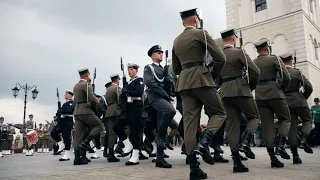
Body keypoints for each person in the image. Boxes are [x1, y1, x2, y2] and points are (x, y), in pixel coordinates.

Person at [171, 8, 226, 179]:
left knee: (189, 123)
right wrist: (212, 76)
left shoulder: (176, 40)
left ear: (183, 22)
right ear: (196, 19)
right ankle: (205, 142)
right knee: (219, 112)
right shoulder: (201, 33)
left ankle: (194, 167)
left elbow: (176, 68)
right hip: (202, 78)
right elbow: (221, 58)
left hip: (185, 83)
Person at [219, 28, 260, 173]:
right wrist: (250, 87)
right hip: (241, 89)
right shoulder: (239, 52)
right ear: (234, 39)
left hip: (225, 92)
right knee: (254, 117)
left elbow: (215, 76)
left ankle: (236, 162)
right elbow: (255, 71)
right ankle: (246, 143)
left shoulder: (218, 55)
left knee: (232, 126)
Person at [253, 39, 291, 168]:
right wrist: (281, 88)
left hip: (259, 95)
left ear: (257, 50)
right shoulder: (274, 59)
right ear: (268, 48)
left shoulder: (253, 62)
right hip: (275, 93)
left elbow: (250, 80)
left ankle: (272, 158)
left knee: (266, 126)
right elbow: (286, 77)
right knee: (286, 119)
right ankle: (280, 146)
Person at [144, 45, 176, 168]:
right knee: (170, 111)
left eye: (162, 53)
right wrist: (165, 94)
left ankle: (159, 158)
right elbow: (150, 83)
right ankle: (159, 138)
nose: (161, 54)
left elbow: (168, 86)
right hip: (155, 98)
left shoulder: (163, 69)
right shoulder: (149, 68)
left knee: (159, 126)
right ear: (152, 56)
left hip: (162, 97)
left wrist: (168, 78)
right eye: (158, 53)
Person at [280, 52, 313, 164]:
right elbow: (308, 87)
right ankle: (304, 140)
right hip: (299, 101)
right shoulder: (297, 72)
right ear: (291, 61)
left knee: (292, 129)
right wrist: (303, 97)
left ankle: (295, 156)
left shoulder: (280, 75)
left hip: (286, 103)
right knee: (308, 120)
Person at [72, 68, 104, 165]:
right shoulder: (86, 85)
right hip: (85, 110)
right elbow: (91, 98)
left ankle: (77, 158)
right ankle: (86, 142)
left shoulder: (76, 85)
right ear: (87, 74)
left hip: (77, 111)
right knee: (99, 126)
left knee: (78, 135)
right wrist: (97, 101)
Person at [118, 63, 144, 165]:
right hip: (127, 108)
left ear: (136, 71)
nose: (130, 71)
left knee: (135, 131)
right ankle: (128, 145)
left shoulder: (139, 80)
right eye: (128, 70)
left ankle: (135, 155)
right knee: (117, 126)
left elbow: (139, 92)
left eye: (132, 69)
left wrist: (126, 90)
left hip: (135, 107)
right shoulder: (129, 82)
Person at [105, 74, 126, 162]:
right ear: (117, 80)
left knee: (111, 133)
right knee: (124, 129)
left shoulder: (108, 89)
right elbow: (120, 100)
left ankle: (110, 153)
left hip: (109, 111)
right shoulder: (117, 88)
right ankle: (120, 146)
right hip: (117, 111)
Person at [50, 90, 75, 161]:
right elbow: (60, 111)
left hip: (68, 121)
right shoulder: (65, 103)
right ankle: (61, 145)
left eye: (66, 94)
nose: (64, 95)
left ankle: (67, 154)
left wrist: (60, 111)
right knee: (53, 133)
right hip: (62, 121)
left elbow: (69, 110)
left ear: (70, 95)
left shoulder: (72, 103)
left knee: (66, 137)